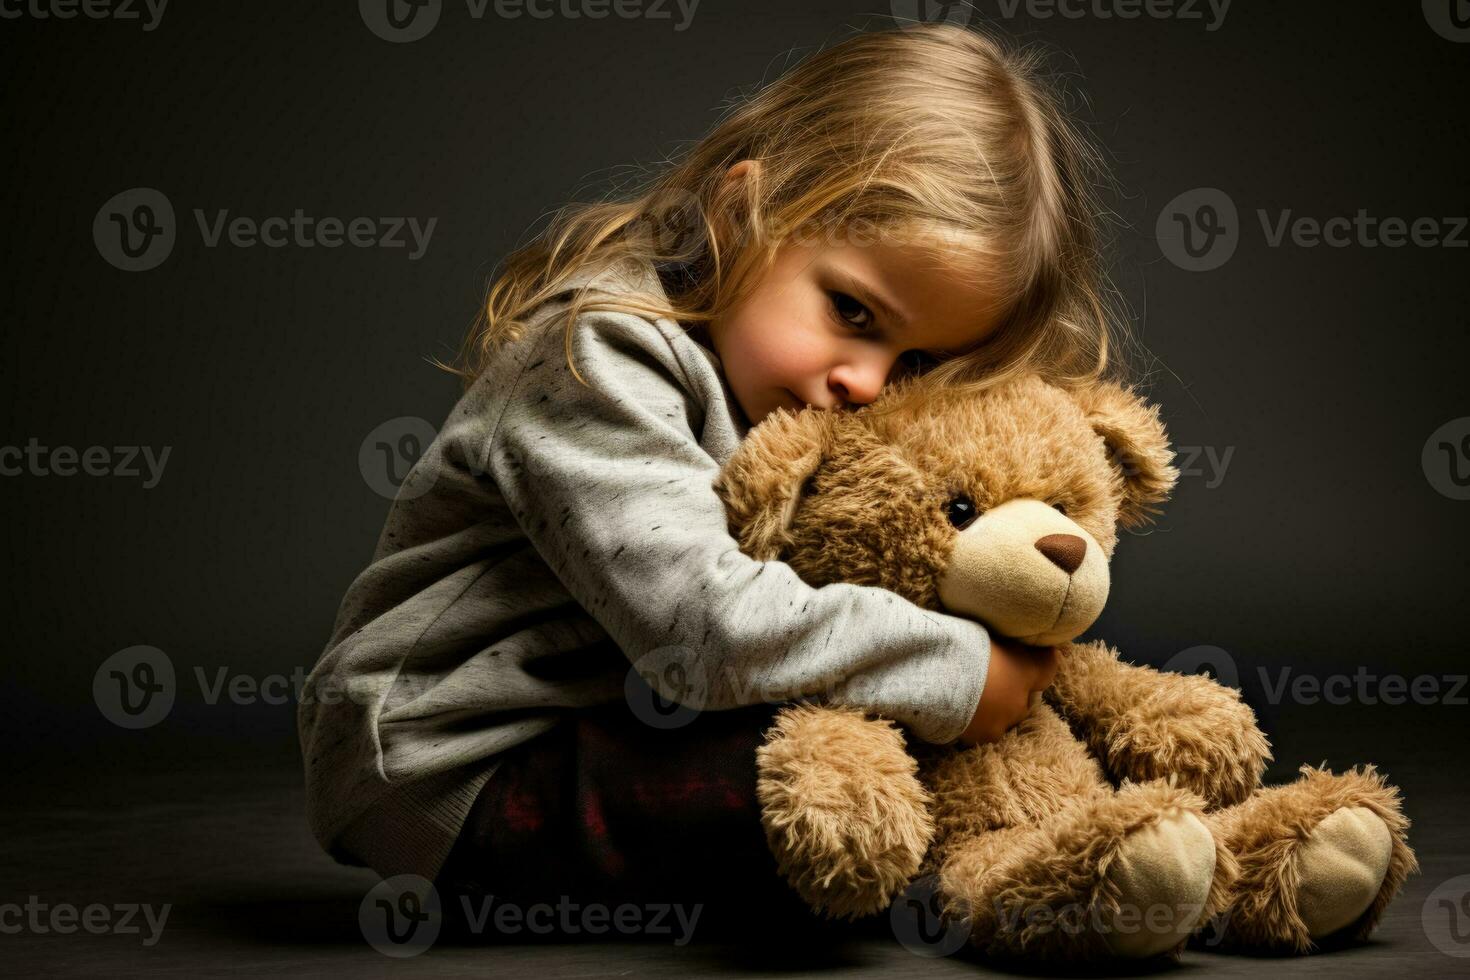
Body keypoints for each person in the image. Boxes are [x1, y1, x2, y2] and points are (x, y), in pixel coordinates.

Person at [298, 22, 1131, 933]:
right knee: (844, 786)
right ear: (743, 211)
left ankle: (1160, 838)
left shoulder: (799, 398)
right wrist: (961, 668)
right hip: (462, 762)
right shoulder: (596, 356)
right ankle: (1059, 877)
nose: (865, 381)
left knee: (1003, 740)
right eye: (851, 310)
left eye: (918, 360)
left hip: (633, 716)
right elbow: (705, 630)